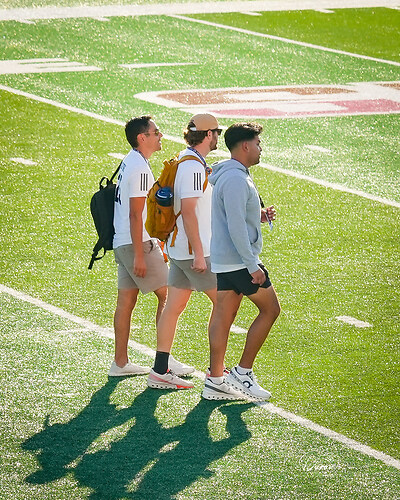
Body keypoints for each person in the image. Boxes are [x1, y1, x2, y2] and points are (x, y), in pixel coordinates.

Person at [202, 122, 281, 401]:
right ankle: (243, 372)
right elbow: (235, 226)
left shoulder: (231, 175)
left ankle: (215, 380)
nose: (261, 148)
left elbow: (233, 214)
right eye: (258, 144)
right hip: (239, 261)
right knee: (271, 310)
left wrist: (258, 216)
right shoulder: (236, 179)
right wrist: (252, 265)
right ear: (245, 146)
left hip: (225, 259)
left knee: (223, 316)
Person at [147, 113, 222, 390]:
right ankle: (217, 372)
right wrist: (200, 253)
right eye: (217, 132)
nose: (218, 136)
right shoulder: (192, 166)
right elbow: (189, 212)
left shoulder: (186, 159)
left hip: (180, 249)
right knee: (224, 305)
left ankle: (159, 370)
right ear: (207, 135)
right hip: (192, 252)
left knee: (173, 308)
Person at [108, 116, 168, 377]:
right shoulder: (140, 168)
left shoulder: (130, 161)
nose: (160, 135)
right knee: (169, 295)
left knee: (126, 301)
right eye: (156, 132)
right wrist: (140, 256)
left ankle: (120, 363)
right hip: (137, 243)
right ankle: (164, 361)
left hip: (122, 241)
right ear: (142, 138)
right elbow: (136, 214)